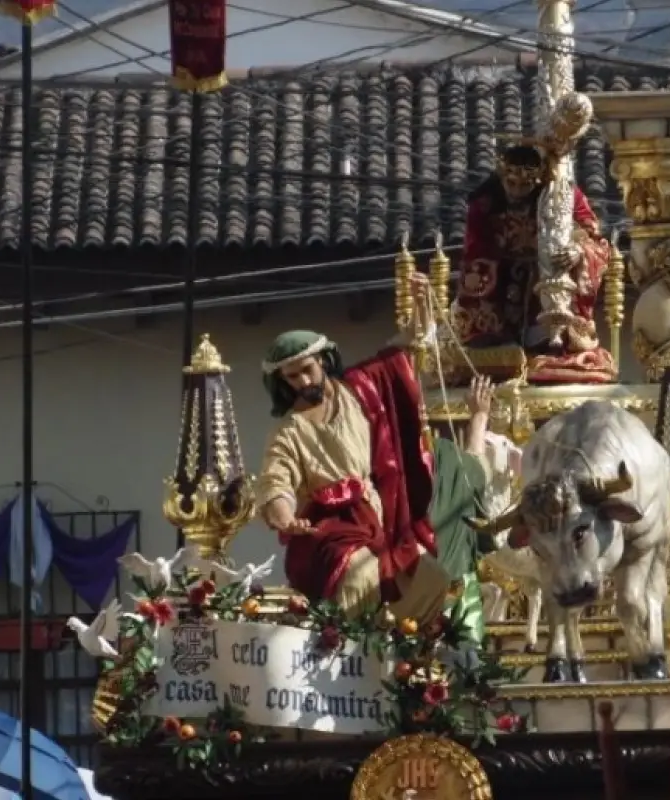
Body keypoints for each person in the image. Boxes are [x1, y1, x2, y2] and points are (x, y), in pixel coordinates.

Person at [256, 275, 450, 624]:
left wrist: (422, 303)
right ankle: (341, 656)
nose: (302, 382)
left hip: (381, 516)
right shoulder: (288, 430)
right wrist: (285, 516)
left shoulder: (360, 388)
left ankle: (394, 647)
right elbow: (275, 480)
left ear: (324, 361)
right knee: (361, 576)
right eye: (292, 377)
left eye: (306, 371)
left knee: (433, 576)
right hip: (329, 532)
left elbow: (405, 344)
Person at [451, 144, 614, 384]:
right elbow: (476, 252)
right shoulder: (484, 204)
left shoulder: (564, 195)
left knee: (555, 324)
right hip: (503, 280)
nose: (517, 192)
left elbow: (596, 240)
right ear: (501, 177)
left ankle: (555, 348)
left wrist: (578, 251)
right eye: (511, 184)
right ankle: (499, 343)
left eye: (525, 185)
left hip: (552, 274)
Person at [426, 375, 500, 644]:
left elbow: (471, 471)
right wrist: (479, 417)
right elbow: (474, 471)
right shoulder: (441, 460)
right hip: (440, 597)